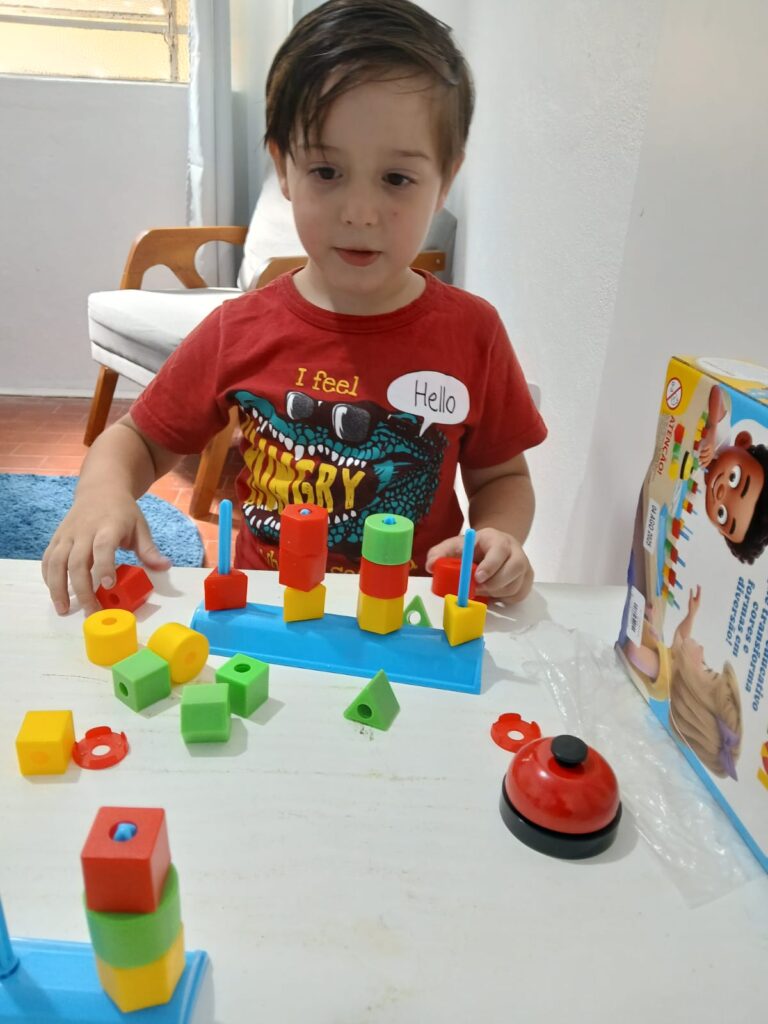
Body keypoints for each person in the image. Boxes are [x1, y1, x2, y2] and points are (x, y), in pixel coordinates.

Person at [43, 0, 547, 615]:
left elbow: (503, 479)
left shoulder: (473, 333)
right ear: (284, 167)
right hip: (265, 612)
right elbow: (138, 441)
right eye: (327, 171)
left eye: (397, 179)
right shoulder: (238, 328)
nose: (359, 212)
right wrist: (101, 494)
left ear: (445, 180)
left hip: (408, 617)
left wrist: (497, 537)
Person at [622, 586, 741, 779]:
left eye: (706, 669)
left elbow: (633, 653)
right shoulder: (676, 666)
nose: (702, 651)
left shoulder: (664, 673)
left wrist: (638, 616)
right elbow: (681, 636)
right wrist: (691, 614)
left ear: (691, 689)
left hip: (623, 624)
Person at [699, 385, 768, 564]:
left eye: (722, 514)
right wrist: (712, 430)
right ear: (742, 442)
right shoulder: (720, 443)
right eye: (734, 478)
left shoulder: (698, 487)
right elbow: (716, 391)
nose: (721, 493)